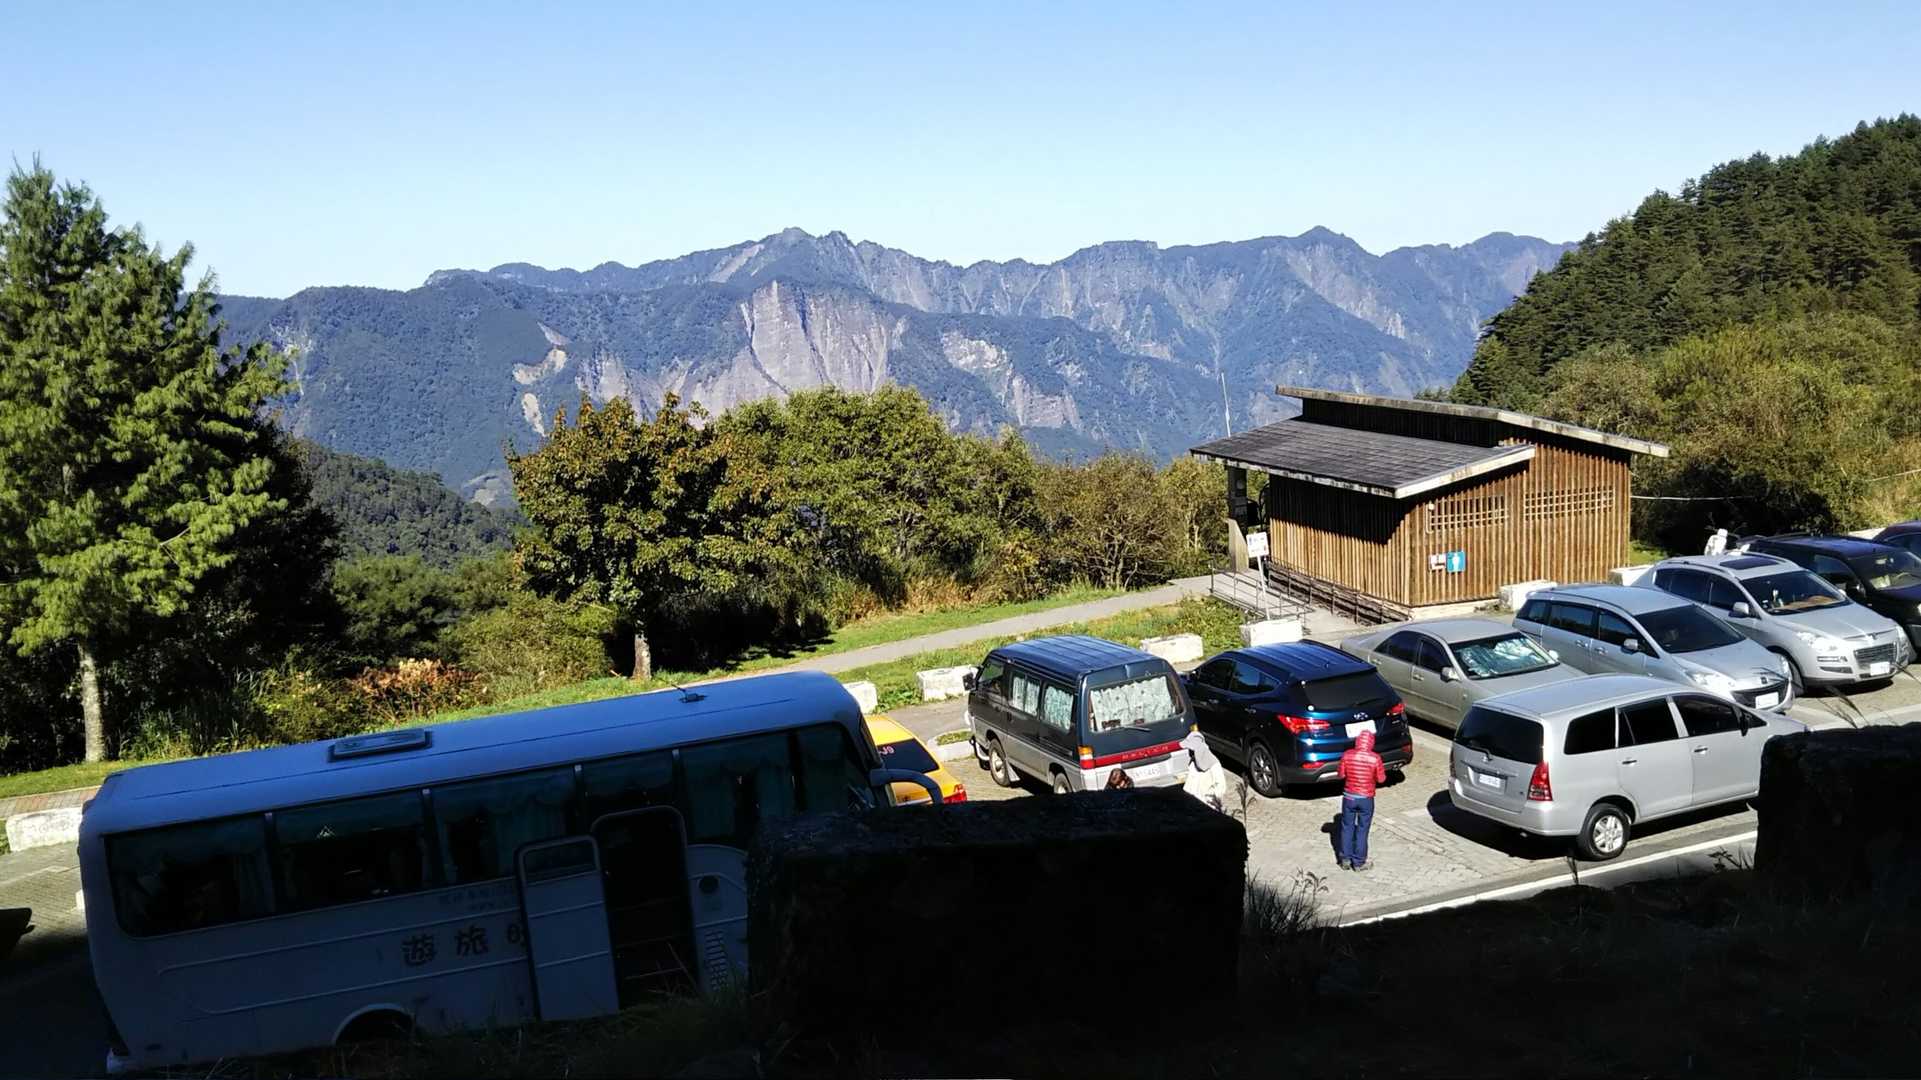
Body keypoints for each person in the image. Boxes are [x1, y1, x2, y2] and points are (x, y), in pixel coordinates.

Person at [1336, 729, 1386, 871]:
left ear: (1357, 742)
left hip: (1349, 797)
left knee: (1347, 827)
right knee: (1363, 829)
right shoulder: (1375, 758)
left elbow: (1340, 775)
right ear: (1371, 743)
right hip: (1366, 798)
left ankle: (1345, 859)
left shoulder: (1347, 755)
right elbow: (1381, 779)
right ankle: (1358, 862)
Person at [1180, 729, 1226, 812]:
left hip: (1209, 807)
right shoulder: (1193, 763)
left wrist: (1211, 801)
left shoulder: (1214, 764)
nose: (1189, 752)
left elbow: (1221, 787)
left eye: (1191, 750)